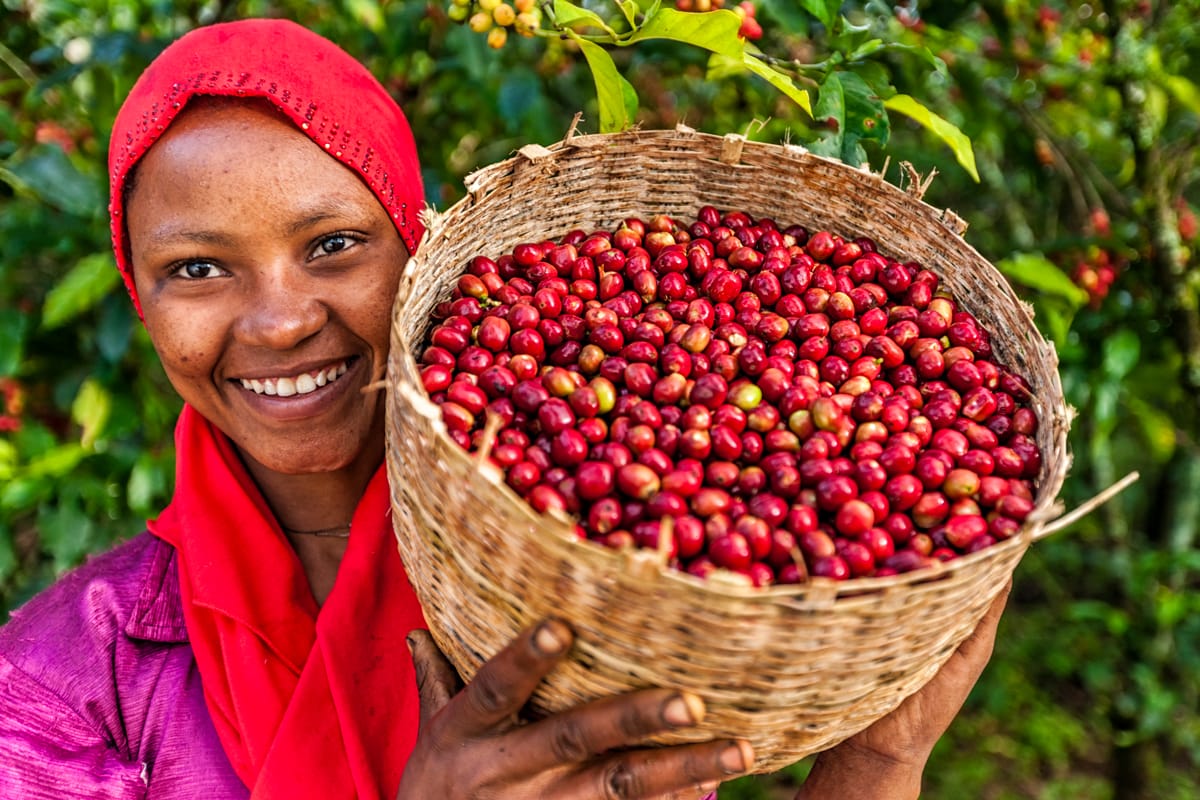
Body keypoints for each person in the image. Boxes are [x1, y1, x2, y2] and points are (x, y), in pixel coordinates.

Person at [0, 18, 1010, 800]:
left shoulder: (595, 573)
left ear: (423, 251)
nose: (277, 321)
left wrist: (877, 758)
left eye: (335, 245)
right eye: (198, 267)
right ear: (140, 297)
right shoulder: (61, 687)